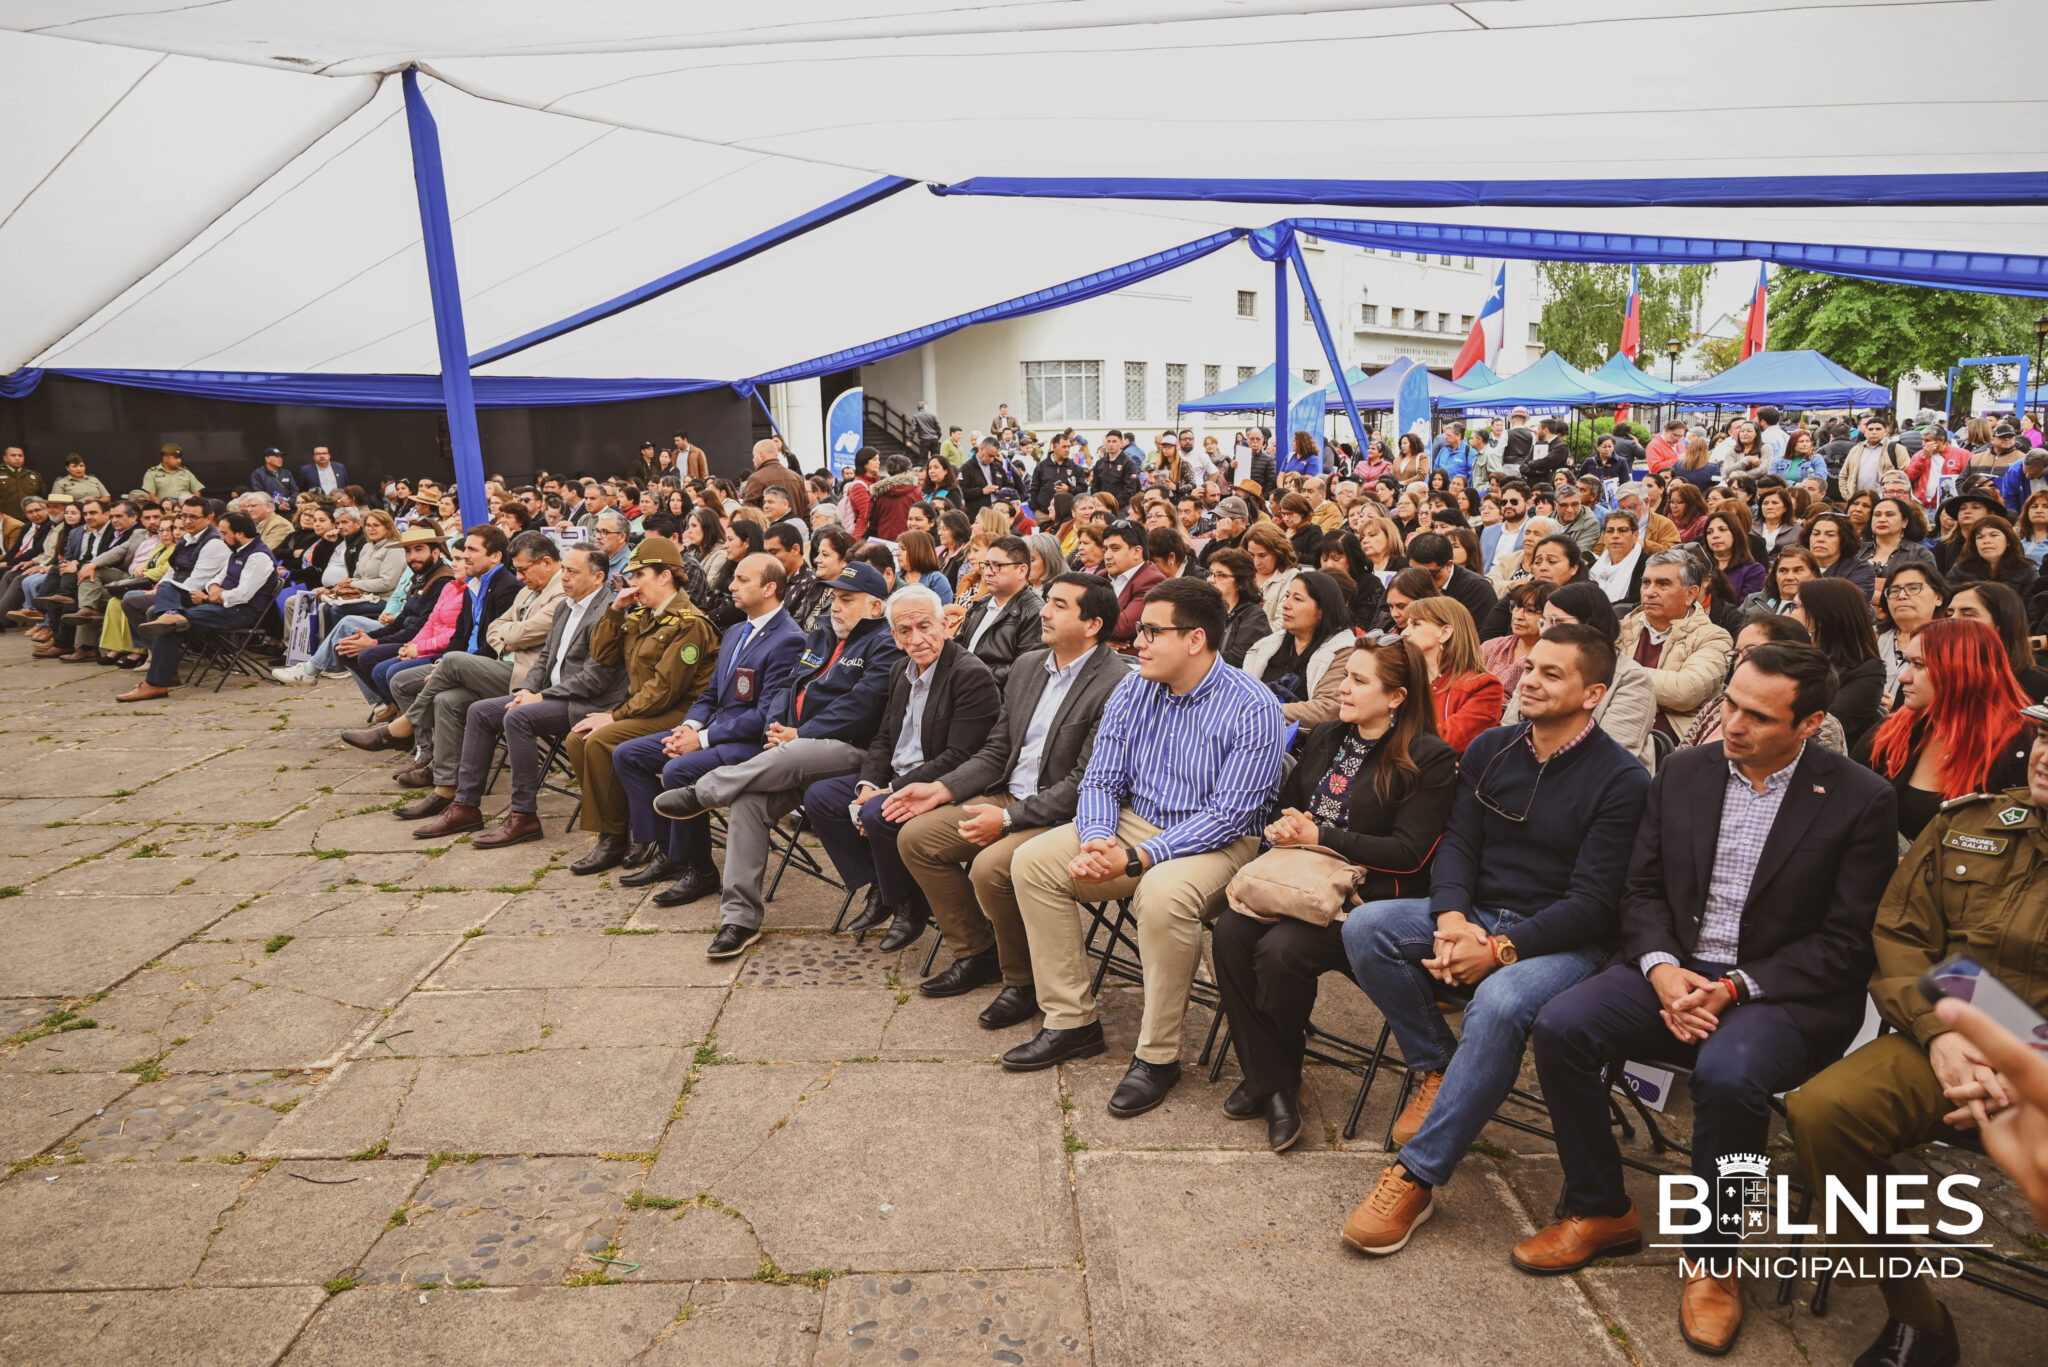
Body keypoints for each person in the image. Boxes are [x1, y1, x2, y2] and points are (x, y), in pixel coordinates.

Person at [1521, 643, 1896, 1354]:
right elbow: (1640, 889)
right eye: (1730, 703)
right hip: (1676, 968)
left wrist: (1734, 987)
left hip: (1784, 994)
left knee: (1728, 1076)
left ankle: (1716, 1257)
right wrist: (1663, 968)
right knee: (1562, 1024)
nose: (1733, 723)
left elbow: (1847, 943)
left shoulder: (1860, 798)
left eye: (1759, 715)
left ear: (1810, 723)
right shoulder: (1687, 770)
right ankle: (1601, 1208)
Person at [1338, 625, 1650, 1256]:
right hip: (1478, 912)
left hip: (1565, 940)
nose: (1529, 680)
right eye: (1530, 668)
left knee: (1501, 1001)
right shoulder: (1492, 748)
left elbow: (1594, 904)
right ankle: (1440, 1065)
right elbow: (1459, 843)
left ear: (1594, 694)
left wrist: (1501, 950)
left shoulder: (1622, 779)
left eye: (1552, 674)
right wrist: (1454, 920)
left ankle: (1417, 1175)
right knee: (1366, 926)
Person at [1786, 705, 2048, 1367]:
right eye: (2046, 735)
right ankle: (1916, 1314)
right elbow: (1904, 936)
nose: (2045, 754)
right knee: (1825, 1110)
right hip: (1951, 1037)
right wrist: (1939, 1036)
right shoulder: (1971, 824)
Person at [1002, 578, 1283, 1116]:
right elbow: (1101, 779)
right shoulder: (1134, 688)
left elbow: (1230, 815)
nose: (1138, 641)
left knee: (1161, 895)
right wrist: (1097, 837)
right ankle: (1071, 1021)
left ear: (1195, 639)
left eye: (1153, 632)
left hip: (1220, 842)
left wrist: (1137, 858)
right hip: (1135, 822)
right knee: (1032, 862)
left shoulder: (1253, 706)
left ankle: (1158, 1056)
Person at [1211, 640, 1458, 1150]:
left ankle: (1269, 1084)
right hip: (1300, 879)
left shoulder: (1427, 758)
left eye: (1359, 681)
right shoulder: (1327, 736)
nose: (1343, 688)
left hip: (1368, 899)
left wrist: (1321, 835)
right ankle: (1276, 1082)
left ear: (1397, 697)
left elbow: (1410, 854)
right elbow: (1288, 806)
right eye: (1346, 676)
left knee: (1280, 952)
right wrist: (1285, 827)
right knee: (1231, 933)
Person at [894, 573, 1133, 1016]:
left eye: (1059, 605)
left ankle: (1023, 981)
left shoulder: (1117, 682)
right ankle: (977, 951)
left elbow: (1085, 782)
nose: (1044, 611)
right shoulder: (1029, 666)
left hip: (1066, 814)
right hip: (1008, 794)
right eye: (1048, 601)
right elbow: (997, 750)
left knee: (991, 869)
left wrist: (1007, 820)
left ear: (1093, 625)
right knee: (916, 838)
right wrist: (942, 788)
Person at [652, 561, 905, 957]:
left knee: (796, 753)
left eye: (847, 599)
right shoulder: (823, 632)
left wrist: (799, 734)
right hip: (792, 748)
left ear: (875, 607)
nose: (836, 606)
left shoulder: (884, 642)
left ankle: (705, 792)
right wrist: (776, 730)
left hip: (851, 749)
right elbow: (787, 686)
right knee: (748, 802)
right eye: (834, 598)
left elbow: (863, 707)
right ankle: (739, 919)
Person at [804, 585, 1003, 952]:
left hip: (942, 784)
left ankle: (909, 902)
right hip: (898, 776)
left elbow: (961, 755)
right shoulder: (900, 670)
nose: (917, 639)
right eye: (905, 631)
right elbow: (884, 737)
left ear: (945, 626)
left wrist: (890, 791)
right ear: (894, 637)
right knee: (821, 798)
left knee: (877, 813)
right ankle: (885, 885)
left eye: (924, 626)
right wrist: (868, 784)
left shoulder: (969, 674)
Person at [611, 553, 806, 906]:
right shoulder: (735, 631)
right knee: (628, 754)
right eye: (734, 578)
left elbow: (765, 715)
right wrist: (687, 728)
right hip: (713, 732)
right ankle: (668, 851)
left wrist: (701, 740)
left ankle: (699, 869)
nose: (731, 586)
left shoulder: (788, 639)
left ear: (769, 588)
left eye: (742, 580)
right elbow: (711, 694)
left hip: (750, 744)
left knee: (678, 770)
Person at [410, 544, 622, 849]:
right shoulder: (566, 606)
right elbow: (545, 658)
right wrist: (527, 689)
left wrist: (542, 696)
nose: (564, 577)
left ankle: (524, 816)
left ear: (598, 577)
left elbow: (595, 678)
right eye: (564, 569)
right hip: (553, 694)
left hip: (587, 702)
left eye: (572, 572)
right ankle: (466, 806)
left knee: (518, 717)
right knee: (480, 711)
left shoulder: (608, 612)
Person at [387, 532, 569, 817]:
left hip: (529, 678)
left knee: (452, 662)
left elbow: (520, 634)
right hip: (504, 664)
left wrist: (510, 636)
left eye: (523, 570)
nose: (519, 577)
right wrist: (510, 636)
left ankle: (407, 723)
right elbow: (496, 628)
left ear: (546, 562)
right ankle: (447, 790)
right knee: (447, 699)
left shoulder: (560, 592)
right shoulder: (527, 588)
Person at [1854, 617, 2033, 841]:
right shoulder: (1893, 730)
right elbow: (1849, 798)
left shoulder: (2024, 746)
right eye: (1908, 663)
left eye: (1919, 665)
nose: (1903, 677)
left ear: (1963, 672)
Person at [117, 509, 278, 704]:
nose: (221, 537)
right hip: (220, 603)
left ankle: (156, 683)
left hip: (239, 612)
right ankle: (171, 613)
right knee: (167, 587)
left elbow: (242, 595)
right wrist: (214, 588)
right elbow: (215, 580)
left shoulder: (258, 557)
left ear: (240, 534)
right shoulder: (238, 550)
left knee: (169, 626)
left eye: (224, 533)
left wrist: (209, 598)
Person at [1614, 549, 1734, 743]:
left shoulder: (1714, 637)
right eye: (1646, 583)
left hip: (1668, 743)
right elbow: (1592, 678)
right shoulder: (1620, 629)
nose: (1649, 592)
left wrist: (1617, 675)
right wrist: (1664, 701)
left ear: (1690, 594)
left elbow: (1684, 692)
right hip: (1614, 726)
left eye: (1663, 584)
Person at [1239, 570, 1355, 726]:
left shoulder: (1342, 651)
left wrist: (1258, 710)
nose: (1286, 605)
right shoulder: (1265, 646)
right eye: (1287, 596)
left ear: (1322, 610)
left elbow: (1328, 709)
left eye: (1298, 599)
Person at [1400, 595, 1503, 752]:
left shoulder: (1484, 686)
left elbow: (1449, 741)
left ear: (1444, 633)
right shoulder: (1402, 677)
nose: (1404, 633)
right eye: (1407, 625)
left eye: (1416, 624)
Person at [1789, 577, 1885, 745]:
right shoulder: (1793, 655)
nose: (1788, 614)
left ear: (1820, 617)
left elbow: (1824, 729)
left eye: (1795, 607)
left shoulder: (1867, 672)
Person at [1947, 579, 2048, 700]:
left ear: (2002, 624)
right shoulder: (1936, 674)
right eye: (1949, 614)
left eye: (1968, 614)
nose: (1952, 620)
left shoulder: (2038, 688)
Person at [1876, 560, 1947, 712]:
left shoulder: (1950, 643)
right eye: (1894, 591)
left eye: (1914, 588)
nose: (1901, 596)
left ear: (1939, 598)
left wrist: (1901, 706)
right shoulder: (1871, 636)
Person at [1404, 531, 1499, 638]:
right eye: (1416, 573)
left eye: (1430, 574)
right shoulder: (1409, 579)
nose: (1422, 581)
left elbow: (1475, 637)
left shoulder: (1476, 588)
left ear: (1449, 565)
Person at [1950, 510, 2038, 606]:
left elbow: (2033, 608)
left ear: (2008, 541)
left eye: (1994, 535)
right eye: (1980, 537)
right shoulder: (1961, 569)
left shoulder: (2027, 570)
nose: (1986, 541)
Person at [1204, 546, 1271, 668]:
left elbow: (1239, 658)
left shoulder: (1254, 615)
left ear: (1240, 583)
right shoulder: (1205, 608)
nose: (1211, 580)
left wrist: (1198, 663)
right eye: (1210, 573)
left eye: (1221, 575)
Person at [1482, 579, 1552, 695]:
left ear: (1548, 616)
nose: (1518, 616)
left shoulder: (1552, 658)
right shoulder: (1491, 647)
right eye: (1517, 607)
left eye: (1530, 610)